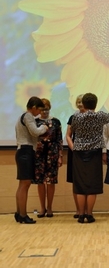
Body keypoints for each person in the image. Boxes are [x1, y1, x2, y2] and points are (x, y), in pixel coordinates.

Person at [71, 93, 109, 223]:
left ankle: (81, 214)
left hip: (79, 152)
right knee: (92, 185)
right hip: (95, 152)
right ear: (96, 104)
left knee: (80, 185)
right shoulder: (100, 116)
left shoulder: (76, 117)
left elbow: (74, 130)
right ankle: (89, 214)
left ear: (83, 103)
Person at [14, 96, 48, 224]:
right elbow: (35, 132)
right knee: (25, 184)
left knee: (22, 185)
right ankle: (23, 215)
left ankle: (19, 213)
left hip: (22, 151)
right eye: (39, 110)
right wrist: (44, 128)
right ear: (33, 107)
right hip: (26, 152)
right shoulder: (28, 116)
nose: (40, 113)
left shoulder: (21, 116)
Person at [33, 98, 63, 218]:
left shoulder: (56, 122)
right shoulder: (34, 122)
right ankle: (42, 208)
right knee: (40, 182)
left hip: (53, 153)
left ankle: (50, 207)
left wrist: (60, 156)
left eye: (47, 109)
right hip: (38, 154)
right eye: (42, 109)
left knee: (51, 181)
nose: (45, 111)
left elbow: (59, 140)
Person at [65, 94, 84, 218]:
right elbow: (68, 135)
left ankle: (86, 210)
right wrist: (74, 149)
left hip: (88, 152)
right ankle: (78, 209)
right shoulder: (73, 117)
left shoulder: (93, 118)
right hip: (75, 153)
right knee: (75, 181)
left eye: (82, 102)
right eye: (78, 102)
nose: (80, 104)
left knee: (86, 181)